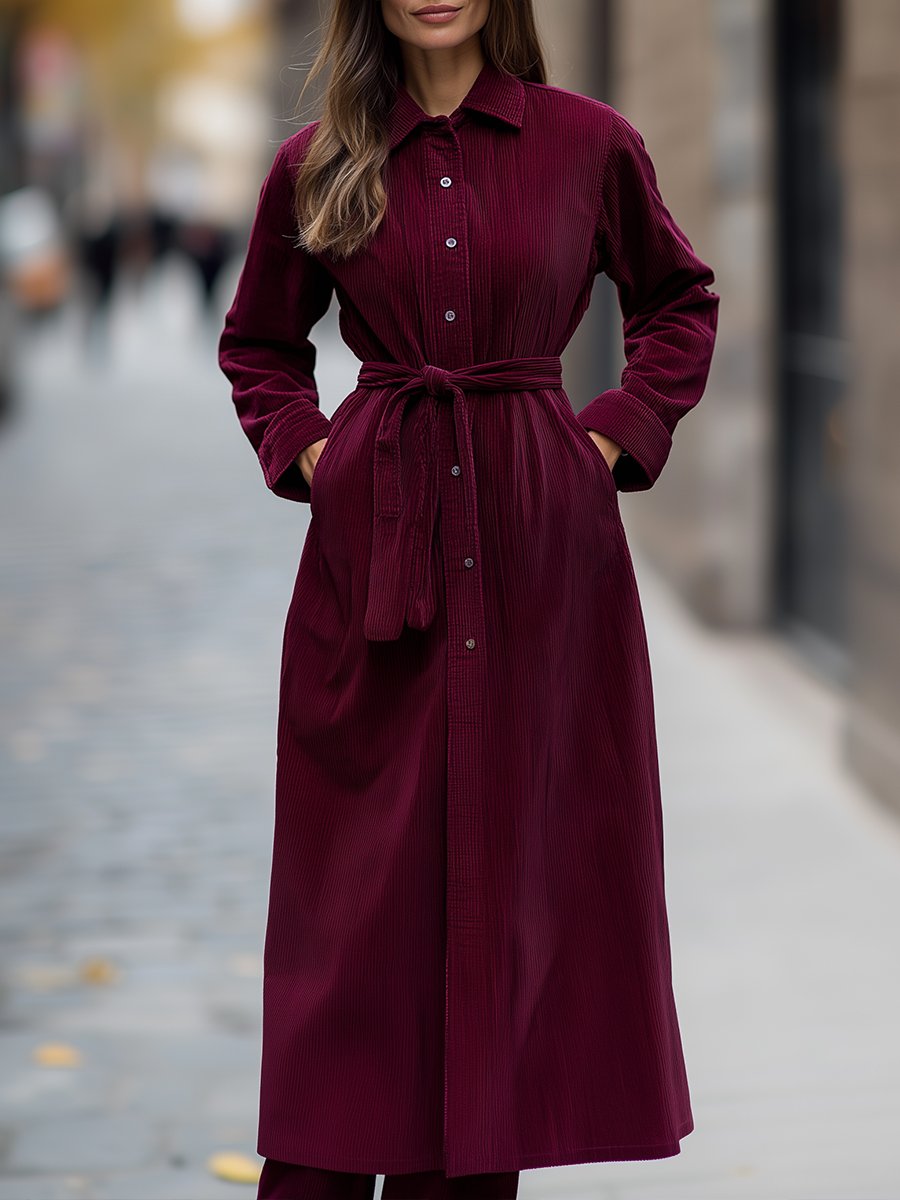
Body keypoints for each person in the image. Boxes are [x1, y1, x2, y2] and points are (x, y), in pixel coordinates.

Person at [218, 2, 720, 1197]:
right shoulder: (317, 163)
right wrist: (316, 462)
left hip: (544, 572)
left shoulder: (589, 143)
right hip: (375, 564)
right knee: (356, 929)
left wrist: (604, 447)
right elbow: (258, 347)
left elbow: (679, 304)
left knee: (508, 902)